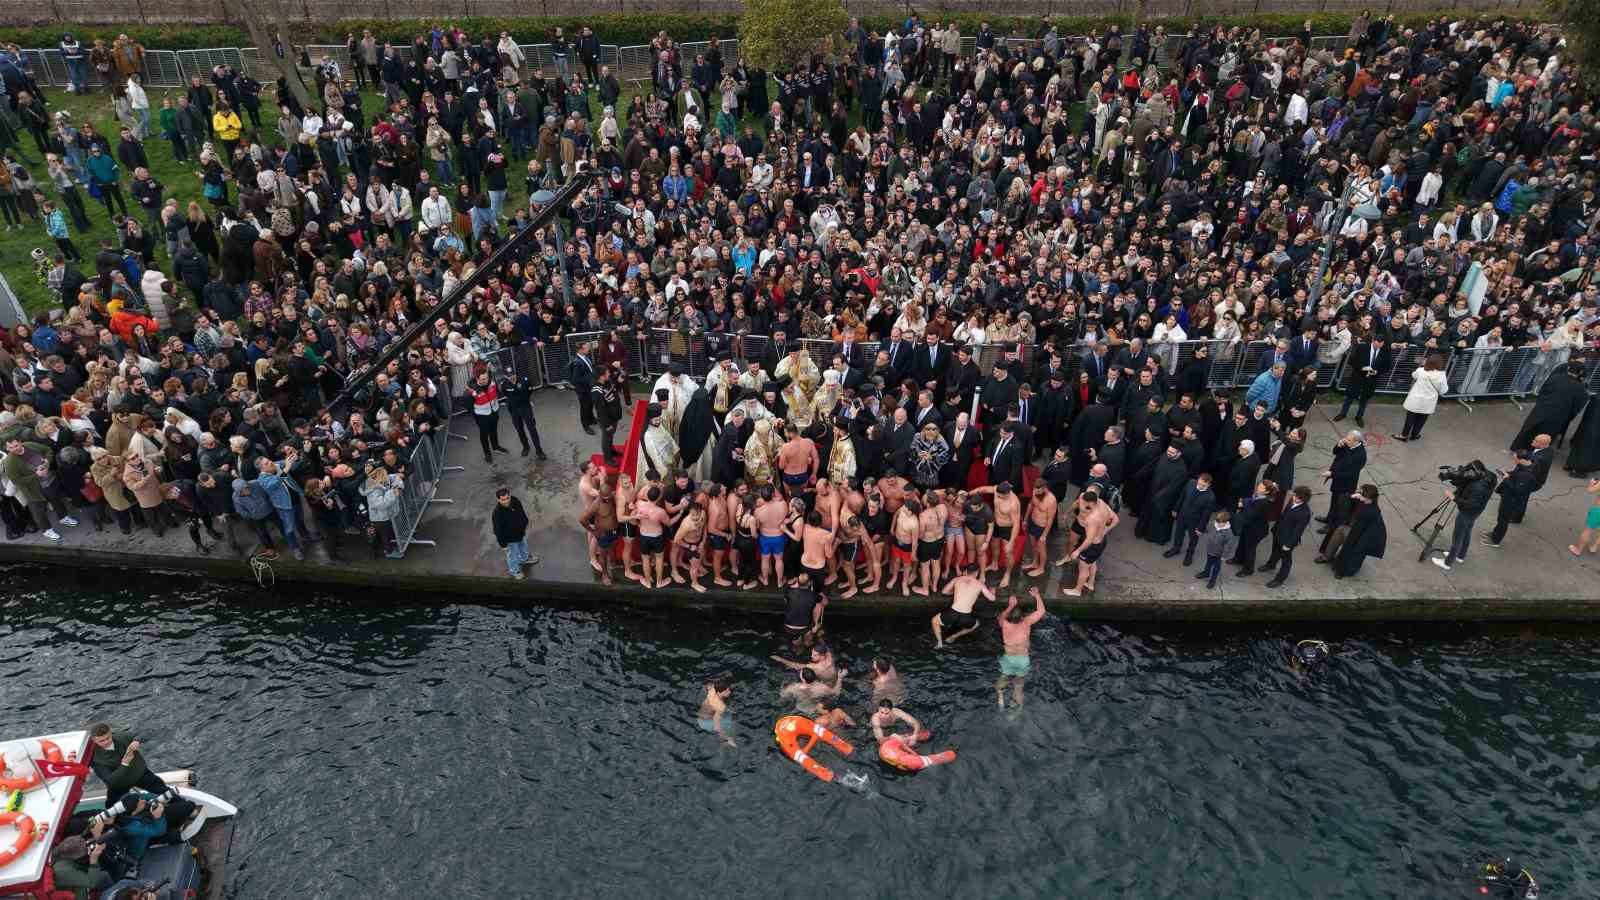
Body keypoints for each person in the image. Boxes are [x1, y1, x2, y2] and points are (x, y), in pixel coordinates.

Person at [1431, 462, 1496, 571]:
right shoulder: (1489, 476)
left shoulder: (1477, 487)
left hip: (1467, 513)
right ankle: (1460, 556)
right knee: (1466, 532)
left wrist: (1454, 498)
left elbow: (1470, 504)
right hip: (1476, 512)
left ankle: (1447, 563)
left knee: (1457, 537)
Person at [995, 587, 1047, 709]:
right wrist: (1037, 595)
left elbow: (1000, 617)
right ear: (1021, 617)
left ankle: (1000, 696)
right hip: (1023, 659)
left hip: (1008, 658)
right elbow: (1041, 611)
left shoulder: (1005, 624)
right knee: (1018, 686)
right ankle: (1016, 711)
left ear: (1010, 618)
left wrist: (1010, 605)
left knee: (1003, 676)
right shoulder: (1026, 622)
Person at [1062, 486, 1119, 597]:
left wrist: (1077, 551)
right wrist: (1106, 530)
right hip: (1102, 541)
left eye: (1084, 503)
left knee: (1083, 568)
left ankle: (1077, 590)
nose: (1082, 505)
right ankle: (1090, 583)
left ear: (1091, 503)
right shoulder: (1101, 503)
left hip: (1092, 545)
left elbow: (1089, 540)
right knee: (1092, 563)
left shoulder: (1092, 518)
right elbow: (1116, 519)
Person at [1483, 451, 1539, 549]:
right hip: (1508, 497)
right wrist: (1508, 473)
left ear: (1521, 459)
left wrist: (1506, 478)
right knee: (1501, 518)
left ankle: (1496, 540)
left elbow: (1517, 490)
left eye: (1515, 458)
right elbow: (1516, 475)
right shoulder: (1525, 466)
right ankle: (1495, 533)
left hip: (1511, 501)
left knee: (1503, 520)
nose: (1514, 460)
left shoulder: (1526, 475)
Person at [1261, 485, 1312, 588]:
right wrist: (1275, 528)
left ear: (1304, 499)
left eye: (1298, 498)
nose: (1295, 499)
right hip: (1278, 532)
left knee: (1286, 560)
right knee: (1274, 551)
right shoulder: (1291, 501)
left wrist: (1289, 544)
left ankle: (1279, 579)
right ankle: (1270, 564)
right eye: (1295, 496)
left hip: (1287, 540)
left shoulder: (1305, 513)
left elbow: (1298, 531)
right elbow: (1283, 515)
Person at [933, 562, 992, 648]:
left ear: (965, 571)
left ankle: (939, 643)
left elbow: (944, 591)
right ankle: (954, 636)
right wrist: (991, 590)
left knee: (934, 621)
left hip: (952, 613)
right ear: (976, 573)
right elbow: (992, 598)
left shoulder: (957, 579)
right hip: (966, 617)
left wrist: (954, 591)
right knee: (976, 625)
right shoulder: (980, 584)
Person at [1334, 484, 1387, 578]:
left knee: (1352, 552)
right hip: (1367, 535)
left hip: (1365, 538)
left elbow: (1356, 532)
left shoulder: (1366, 512)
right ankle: (1343, 568)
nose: (1358, 494)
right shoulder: (1370, 506)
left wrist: (1350, 541)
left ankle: (1342, 571)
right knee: (1355, 554)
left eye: (1361, 493)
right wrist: (1353, 496)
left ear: (1367, 498)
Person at [1395, 354, 1450, 442]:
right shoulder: (1441, 376)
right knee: (1421, 419)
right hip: (1429, 401)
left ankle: (1404, 435)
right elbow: (1444, 391)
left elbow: (1413, 375)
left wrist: (1423, 365)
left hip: (1415, 399)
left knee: (1410, 418)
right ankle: (1414, 435)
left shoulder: (1420, 371)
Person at [491, 487, 536, 579]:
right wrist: (503, 545)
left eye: (508, 498)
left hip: (520, 532)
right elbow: (497, 531)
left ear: (510, 496)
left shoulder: (515, 500)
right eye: (503, 500)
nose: (506, 501)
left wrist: (525, 522)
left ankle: (524, 559)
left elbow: (521, 511)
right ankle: (514, 570)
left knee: (523, 545)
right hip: (510, 539)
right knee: (512, 555)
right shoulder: (497, 514)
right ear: (498, 499)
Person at [1196, 509, 1238, 590]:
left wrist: (1224, 555)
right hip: (1210, 549)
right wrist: (1201, 531)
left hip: (1218, 554)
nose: (1218, 524)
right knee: (1208, 562)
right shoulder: (1213, 524)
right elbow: (1207, 529)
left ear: (1226, 522)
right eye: (1217, 522)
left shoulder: (1228, 533)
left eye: (1221, 523)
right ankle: (1206, 573)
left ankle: (1213, 580)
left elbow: (1229, 546)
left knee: (1216, 567)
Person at [697, 674, 735, 746]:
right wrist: (726, 737)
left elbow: (707, 684)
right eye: (726, 691)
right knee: (733, 720)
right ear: (719, 692)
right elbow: (716, 725)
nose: (729, 692)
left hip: (700, 717)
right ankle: (724, 744)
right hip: (706, 724)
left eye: (728, 689)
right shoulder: (721, 706)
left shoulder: (712, 690)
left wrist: (718, 682)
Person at [1568, 478, 1600, 556]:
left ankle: (1578, 549)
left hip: (1598, 511)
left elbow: (1590, 490)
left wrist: (1591, 484)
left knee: (1587, 530)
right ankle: (1594, 547)